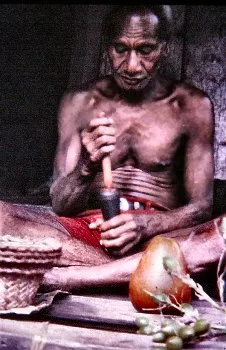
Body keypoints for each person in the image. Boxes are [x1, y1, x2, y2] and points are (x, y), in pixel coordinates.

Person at [0, 5, 225, 294]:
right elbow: (61, 204)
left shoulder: (192, 106)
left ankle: (69, 278)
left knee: (222, 235)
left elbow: (200, 208)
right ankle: (142, 275)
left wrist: (146, 227)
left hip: (161, 234)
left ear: (165, 49)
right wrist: (86, 166)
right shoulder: (80, 103)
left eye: (146, 50)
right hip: (88, 234)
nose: (132, 65)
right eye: (121, 49)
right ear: (108, 47)